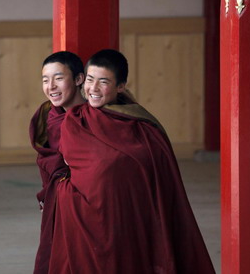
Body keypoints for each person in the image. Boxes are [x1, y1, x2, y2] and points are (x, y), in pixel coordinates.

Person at [49, 49, 215, 273]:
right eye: (90, 79)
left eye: (104, 82)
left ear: (120, 86)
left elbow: (158, 177)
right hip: (88, 219)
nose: (94, 89)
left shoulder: (142, 126)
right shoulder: (75, 121)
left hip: (133, 218)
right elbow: (76, 167)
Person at [29, 51, 85, 274]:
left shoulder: (95, 117)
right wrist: (50, 192)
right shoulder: (48, 116)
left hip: (90, 203)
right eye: (45, 80)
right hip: (57, 200)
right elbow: (48, 161)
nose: (50, 86)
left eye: (58, 78)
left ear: (79, 79)